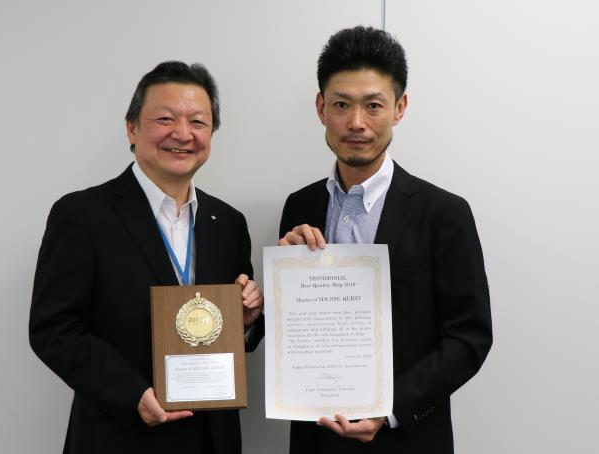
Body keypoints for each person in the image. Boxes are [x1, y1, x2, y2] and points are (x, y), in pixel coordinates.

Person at [29, 61, 264, 454]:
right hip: (119, 436)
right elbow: (52, 329)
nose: (183, 134)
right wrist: (131, 393)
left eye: (198, 122)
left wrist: (244, 322)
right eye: (165, 119)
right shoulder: (83, 215)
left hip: (212, 439)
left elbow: (229, 334)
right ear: (132, 128)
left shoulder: (228, 222)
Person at [279, 26, 492, 453]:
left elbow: (470, 337)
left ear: (399, 108)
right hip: (315, 440)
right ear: (321, 108)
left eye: (373, 105)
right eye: (342, 104)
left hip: (407, 440)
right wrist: (278, 284)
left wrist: (389, 408)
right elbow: (294, 332)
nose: (356, 123)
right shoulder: (299, 206)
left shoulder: (444, 213)